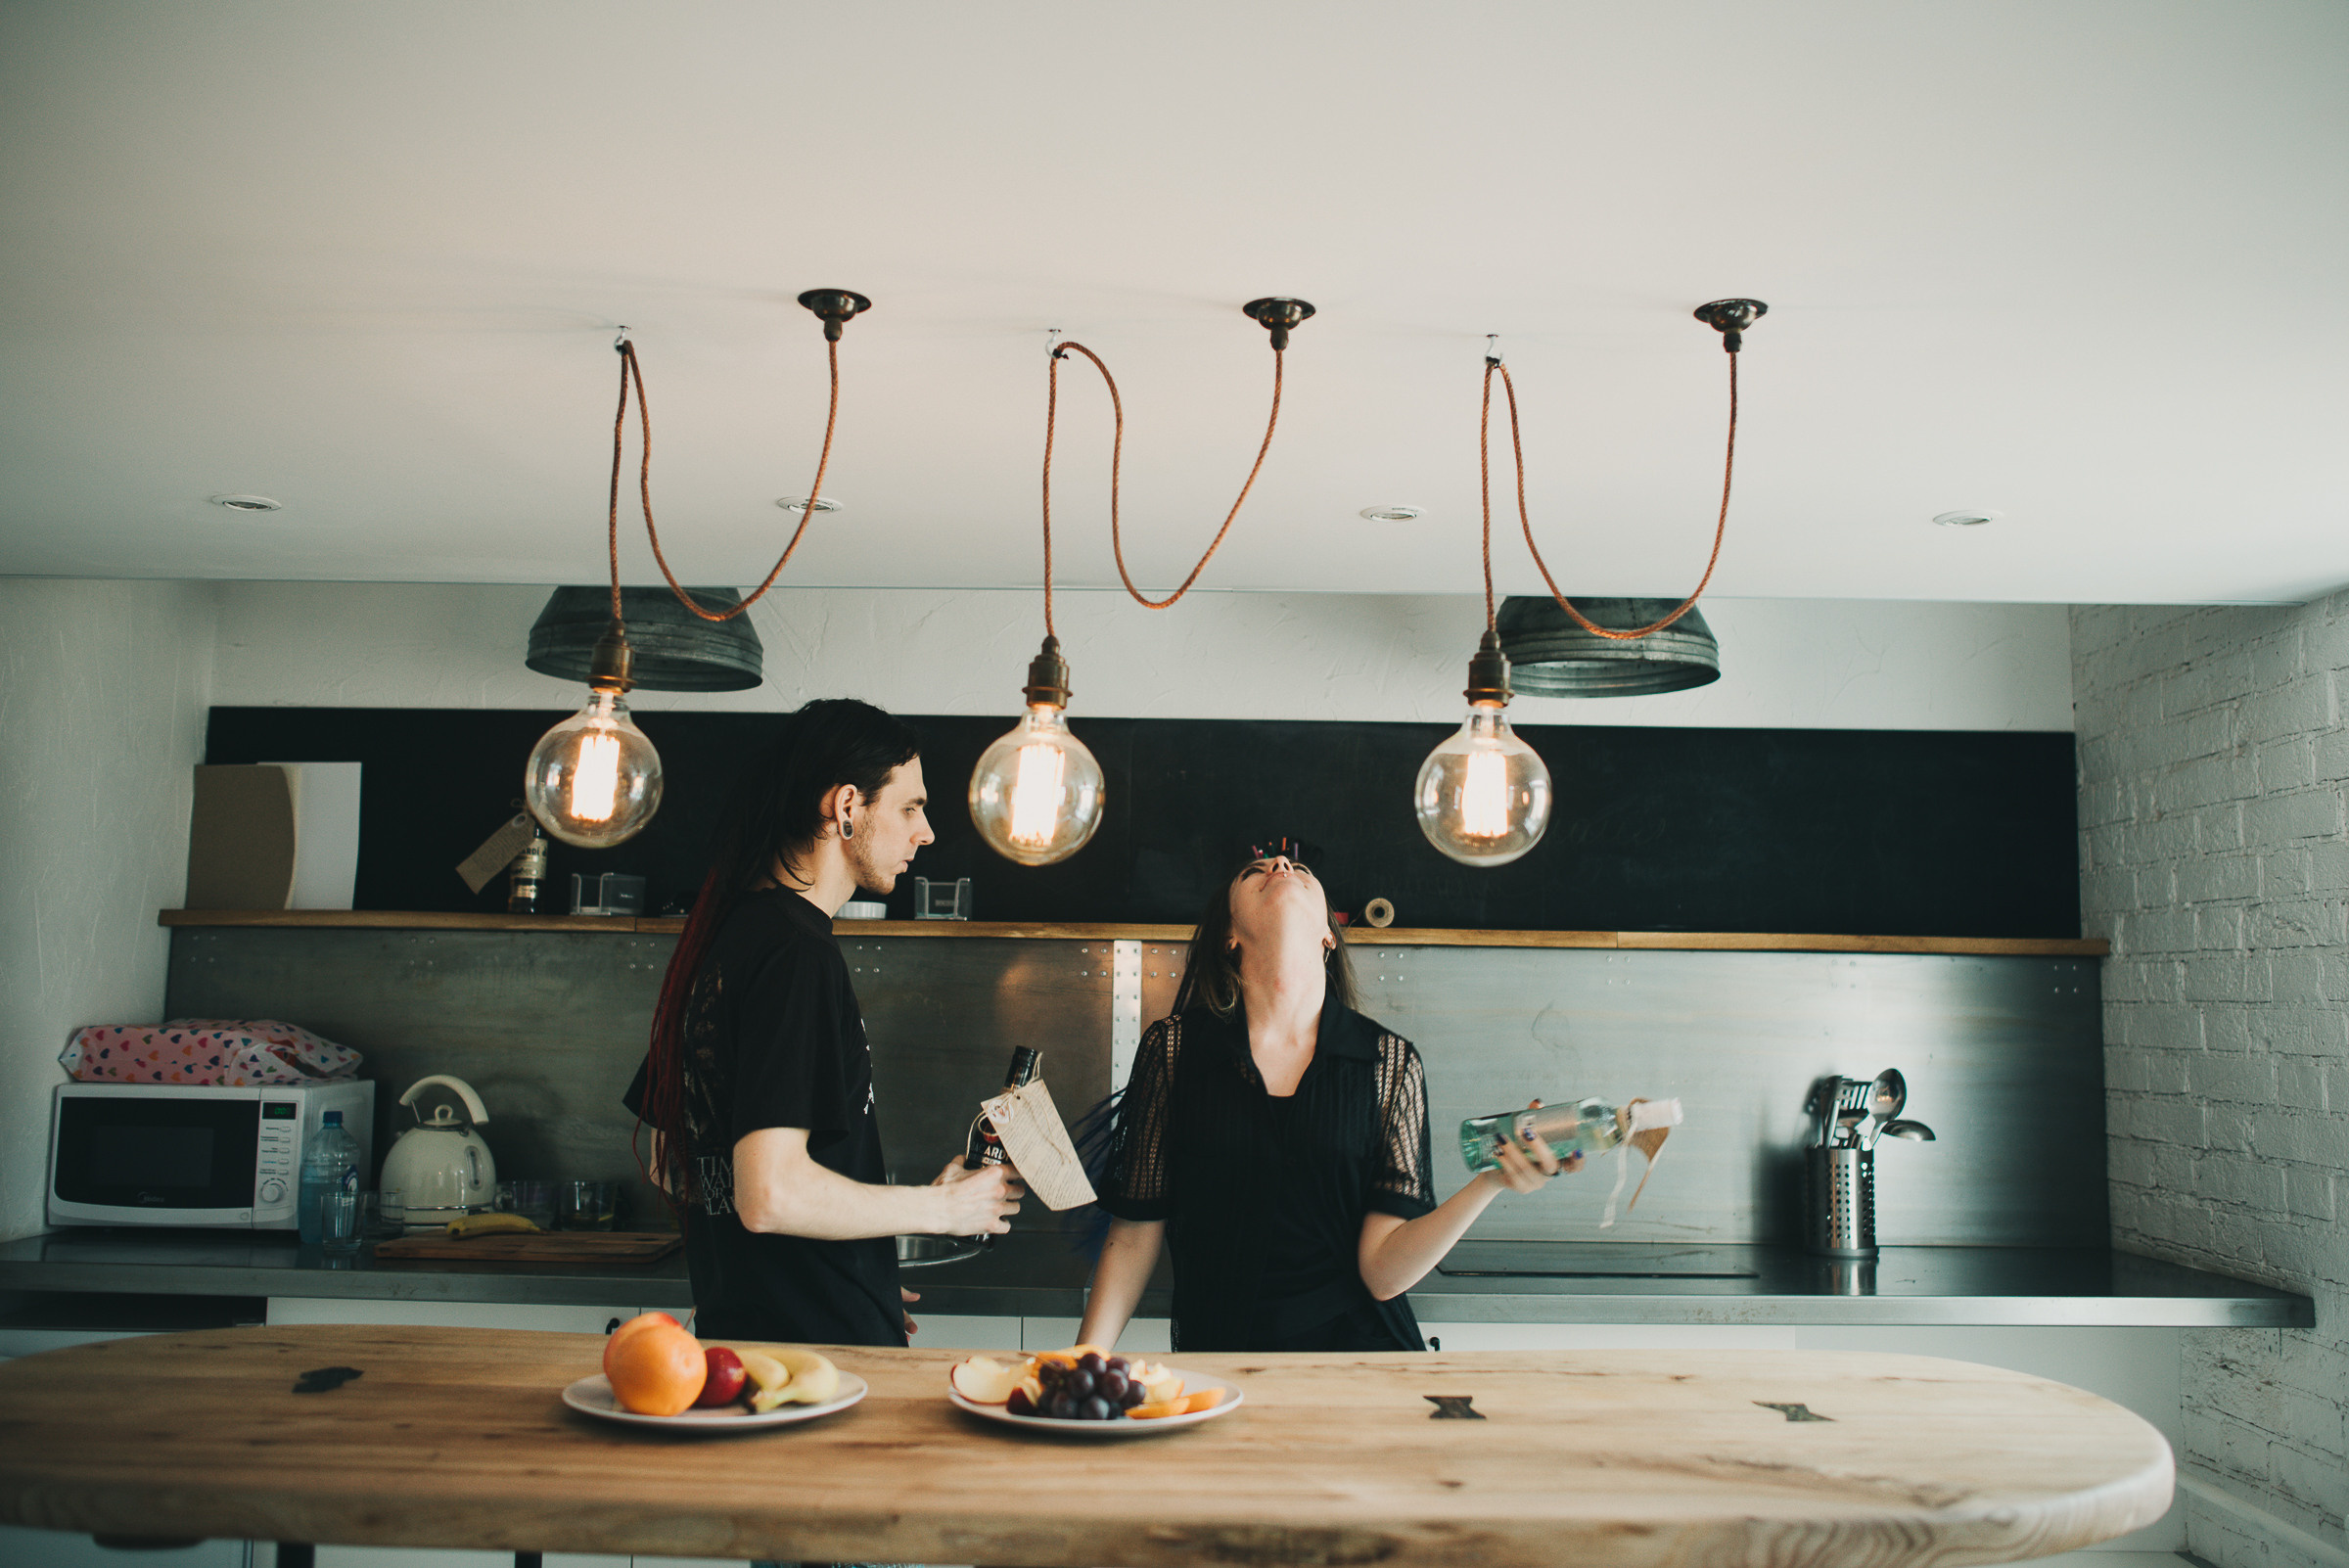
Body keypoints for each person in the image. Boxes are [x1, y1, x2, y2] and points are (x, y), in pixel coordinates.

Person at [625, 698, 1024, 1347]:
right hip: (818, 1360)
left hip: (751, 1336)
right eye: (909, 807)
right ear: (845, 808)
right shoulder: (795, 955)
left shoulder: (735, 934)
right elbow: (771, 1195)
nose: (924, 832)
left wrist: (848, 1268)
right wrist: (943, 1208)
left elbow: (666, 1155)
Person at [1078, 842, 1576, 1354]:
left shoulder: (1389, 1063)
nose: (1280, 865)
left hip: (1362, 1364)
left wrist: (1489, 1183)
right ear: (1228, 935)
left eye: (1300, 869)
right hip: (1222, 1364)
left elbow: (1382, 1273)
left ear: (1327, 936)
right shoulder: (1174, 1049)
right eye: (1255, 871)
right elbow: (1135, 1233)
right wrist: (1082, 1359)